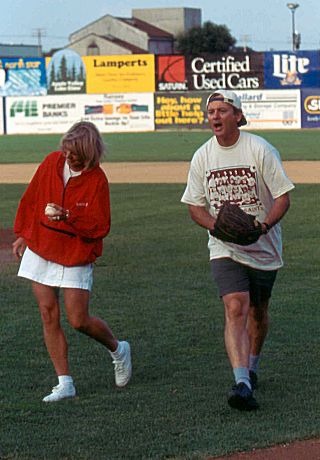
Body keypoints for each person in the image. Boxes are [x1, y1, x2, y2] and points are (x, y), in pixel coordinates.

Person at [181, 90, 294, 411]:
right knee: (235, 306)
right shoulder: (203, 156)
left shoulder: (260, 150)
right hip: (223, 247)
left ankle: (253, 367)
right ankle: (242, 382)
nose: (215, 116)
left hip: (264, 246)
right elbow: (194, 206)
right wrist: (217, 228)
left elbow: (283, 197)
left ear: (238, 116)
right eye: (211, 111)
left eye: (223, 110)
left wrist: (262, 227)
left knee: (258, 312)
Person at [12, 121, 132, 402]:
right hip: (42, 246)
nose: (68, 158)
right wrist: (23, 233)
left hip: (75, 252)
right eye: (66, 152)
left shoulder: (97, 180)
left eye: (74, 155)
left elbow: (100, 227)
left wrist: (68, 216)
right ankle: (64, 382)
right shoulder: (51, 162)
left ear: (89, 154)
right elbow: (32, 197)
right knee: (47, 313)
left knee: (78, 320)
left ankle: (118, 349)